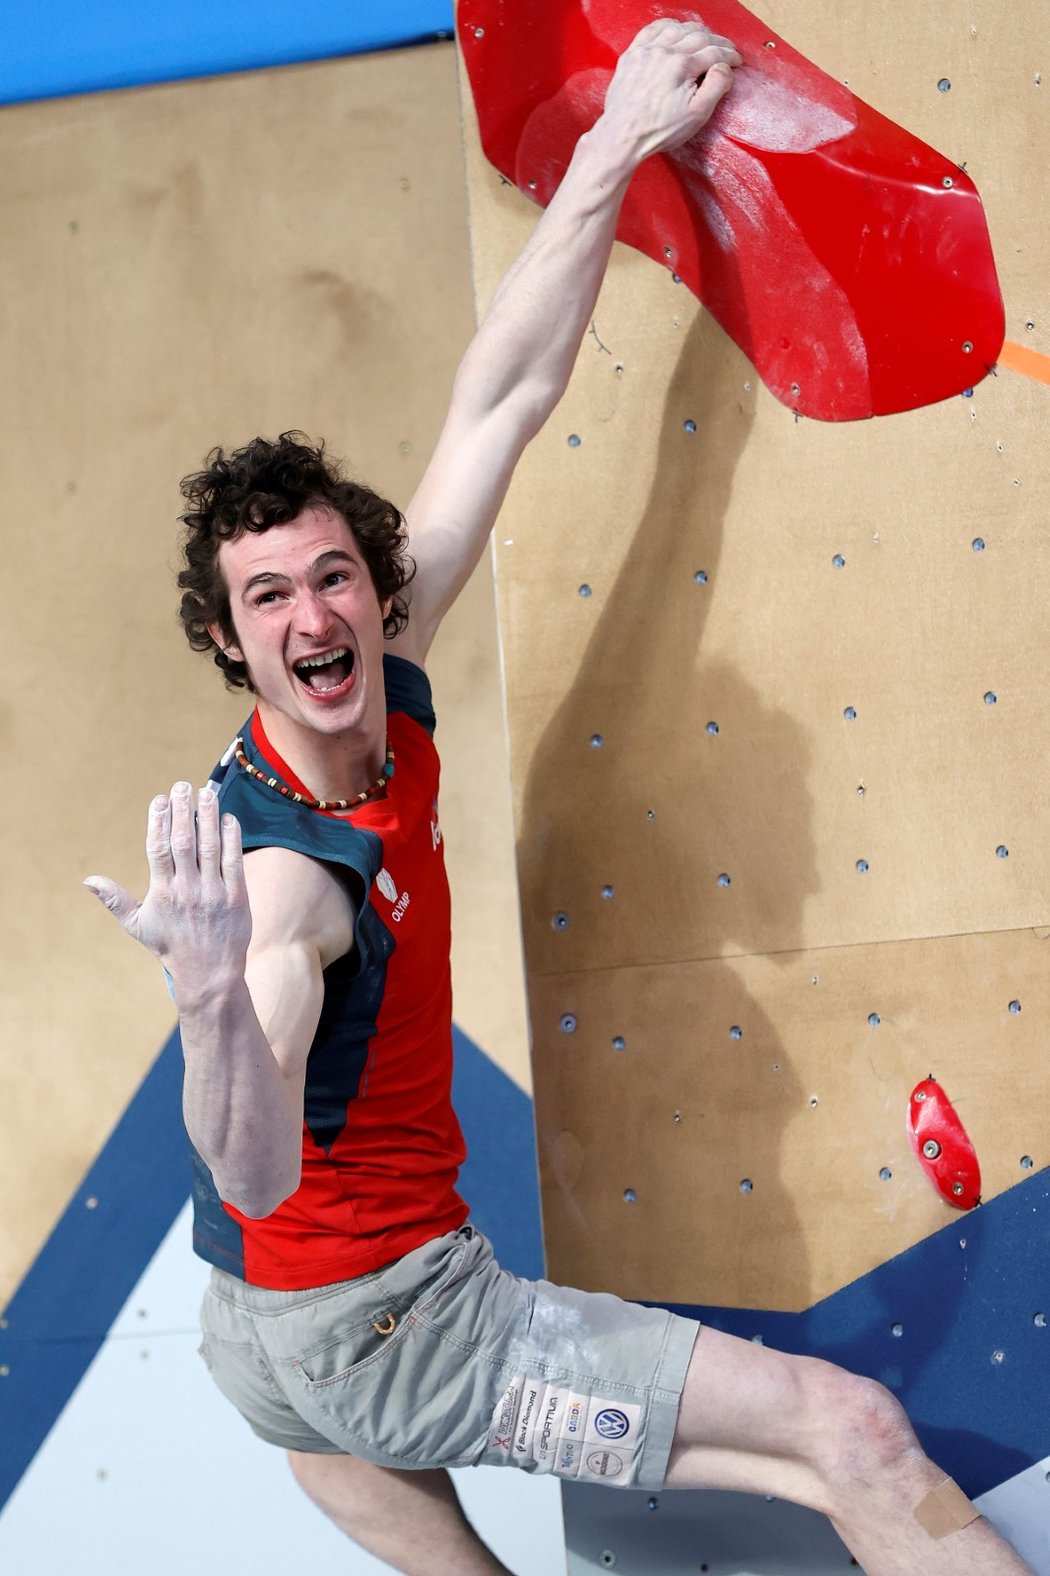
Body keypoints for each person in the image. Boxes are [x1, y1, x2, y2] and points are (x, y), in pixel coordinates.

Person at [85, 20, 1033, 1576]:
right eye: (269, 600)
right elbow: (248, 1165)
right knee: (848, 1433)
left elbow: (499, 402)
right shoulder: (287, 885)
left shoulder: (377, 677)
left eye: (333, 576)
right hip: (383, 1330)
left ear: (371, 592)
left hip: (268, 1351)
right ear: (224, 640)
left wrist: (617, 142)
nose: (314, 616)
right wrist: (203, 1001)